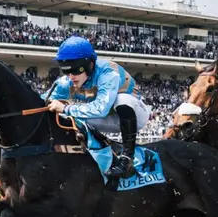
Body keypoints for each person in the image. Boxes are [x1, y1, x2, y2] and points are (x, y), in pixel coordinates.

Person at [44, 36, 150, 178]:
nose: (71, 77)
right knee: (68, 117)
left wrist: (65, 108)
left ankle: (126, 160)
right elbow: (42, 100)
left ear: (90, 65)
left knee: (122, 99)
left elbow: (102, 108)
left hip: (134, 115)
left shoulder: (108, 72)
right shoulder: (65, 82)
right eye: (67, 71)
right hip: (104, 119)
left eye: (76, 70)